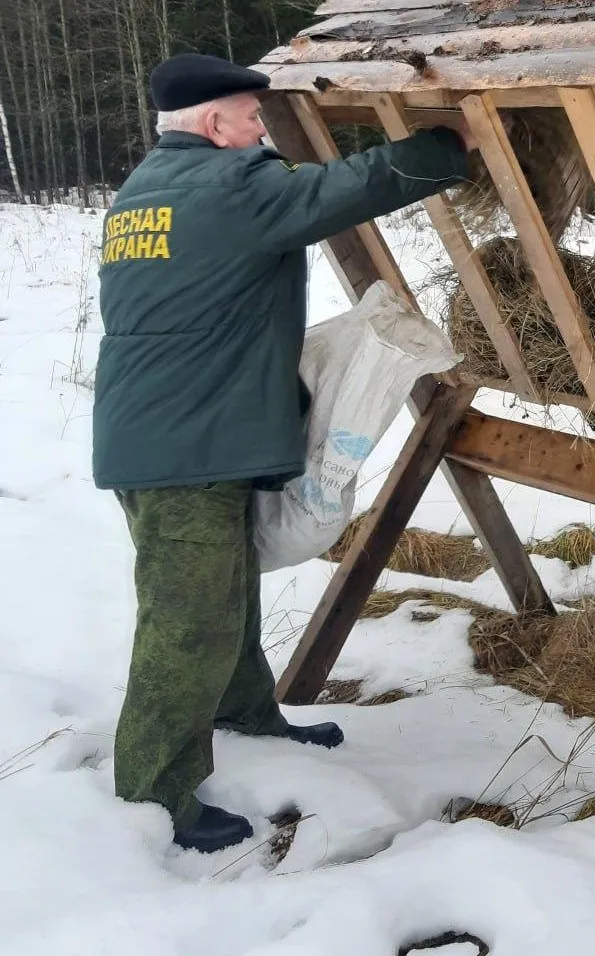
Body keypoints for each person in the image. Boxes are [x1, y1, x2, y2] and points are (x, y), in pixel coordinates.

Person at [93, 53, 476, 854]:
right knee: (186, 622)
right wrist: (448, 147)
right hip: (185, 445)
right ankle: (153, 793)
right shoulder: (226, 187)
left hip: (167, 432)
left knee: (221, 591)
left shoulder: (143, 192)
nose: (262, 128)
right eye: (251, 115)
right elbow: (338, 191)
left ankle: (245, 713)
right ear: (211, 124)